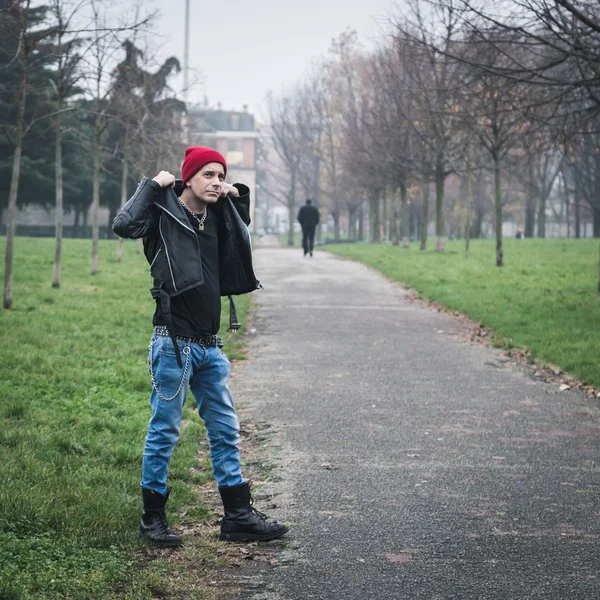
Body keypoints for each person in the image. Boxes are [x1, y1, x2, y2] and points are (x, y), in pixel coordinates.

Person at [113, 146, 289, 547]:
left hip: (210, 346)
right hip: (173, 343)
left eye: (220, 174)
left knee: (225, 429)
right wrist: (153, 185)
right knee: (165, 430)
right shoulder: (162, 215)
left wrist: (233, 195)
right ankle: (152, 518)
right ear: (187, 179)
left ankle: (238, 517)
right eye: (207, 174)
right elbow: (124, 224)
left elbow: (242, 225)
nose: (215, 181)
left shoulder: (218, 216)